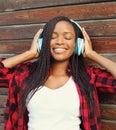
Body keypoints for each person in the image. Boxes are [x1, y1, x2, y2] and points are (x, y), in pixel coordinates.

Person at [0, 16, 116, 130]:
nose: (60, 42)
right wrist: (30, 53)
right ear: (42, 43)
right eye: (52, 37)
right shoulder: (25, 73)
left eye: (68, 37)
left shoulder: (87, 76)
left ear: (78, 45)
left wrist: (91, 54)